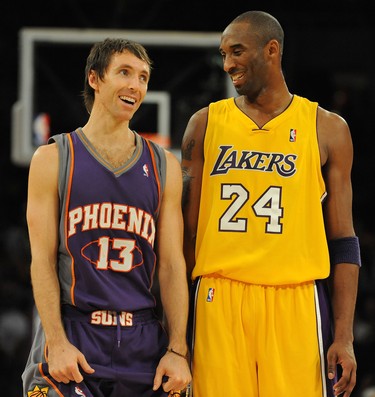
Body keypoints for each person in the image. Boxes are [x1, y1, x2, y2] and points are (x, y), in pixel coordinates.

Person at [181, 11, 361, 397]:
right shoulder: (204, 124)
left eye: (237, 51)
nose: (227, 63)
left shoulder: (327, 128)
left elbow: (344, 240)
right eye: (224, 54)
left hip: (295, 299)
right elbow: (185, 234)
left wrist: (343, 336)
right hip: (218, 297)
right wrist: (176, 335)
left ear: (272, 50)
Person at [22, 38, 191, 397]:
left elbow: (173, 266)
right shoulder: (53, 158)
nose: (136, 85)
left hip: (143, 338)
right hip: (76, 331)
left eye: (143, 77)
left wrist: (178, 349)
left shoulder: (165, 166)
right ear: (95, 79)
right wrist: (56, 340)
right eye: (124, 72)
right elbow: (41, 261)